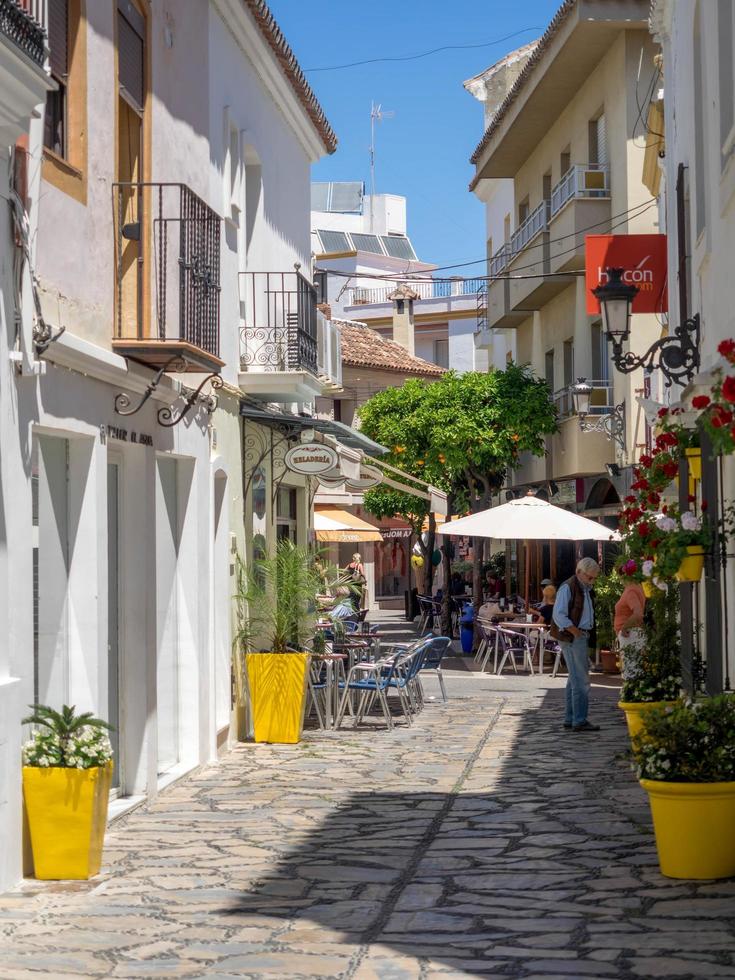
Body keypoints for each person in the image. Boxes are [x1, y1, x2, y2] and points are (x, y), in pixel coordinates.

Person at [551, 557, 601, 733]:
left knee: (574, 679)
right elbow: (559, 615)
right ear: (579, 572)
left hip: (578, 635)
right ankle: (579, 720)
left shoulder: (583, 587)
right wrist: (575, 631)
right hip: (573, 637)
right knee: (581, 681)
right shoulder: (569, 587)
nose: (592, 581)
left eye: (594, 578)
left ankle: (571, 718)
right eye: (590, 577)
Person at [614, 575, 647, 682]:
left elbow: (638, 613)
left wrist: (624, 627)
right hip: (634, 633)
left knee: (630, 670)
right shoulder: (637, 588)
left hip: (630, 634)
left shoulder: (630, 591)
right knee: (634, 668)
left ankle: (631, 695)